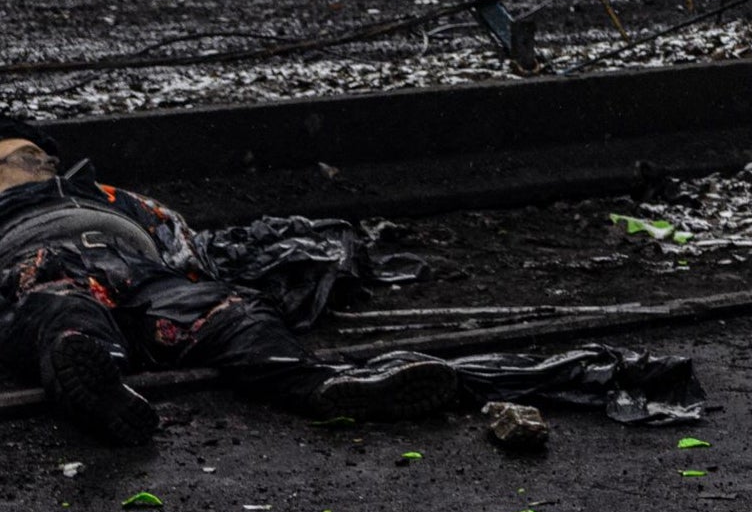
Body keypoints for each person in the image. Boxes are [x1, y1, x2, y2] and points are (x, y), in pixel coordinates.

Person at [0, 119, 456, 444]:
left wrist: (205, 282)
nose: (38, 165)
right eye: (22, 159)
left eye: (39, 158)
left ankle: (325, 387)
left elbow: (182, 242)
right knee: (64, 311)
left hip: (144, 274)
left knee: (233, 314)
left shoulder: (112, 198)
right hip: (45, 269)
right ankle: (103, 387)